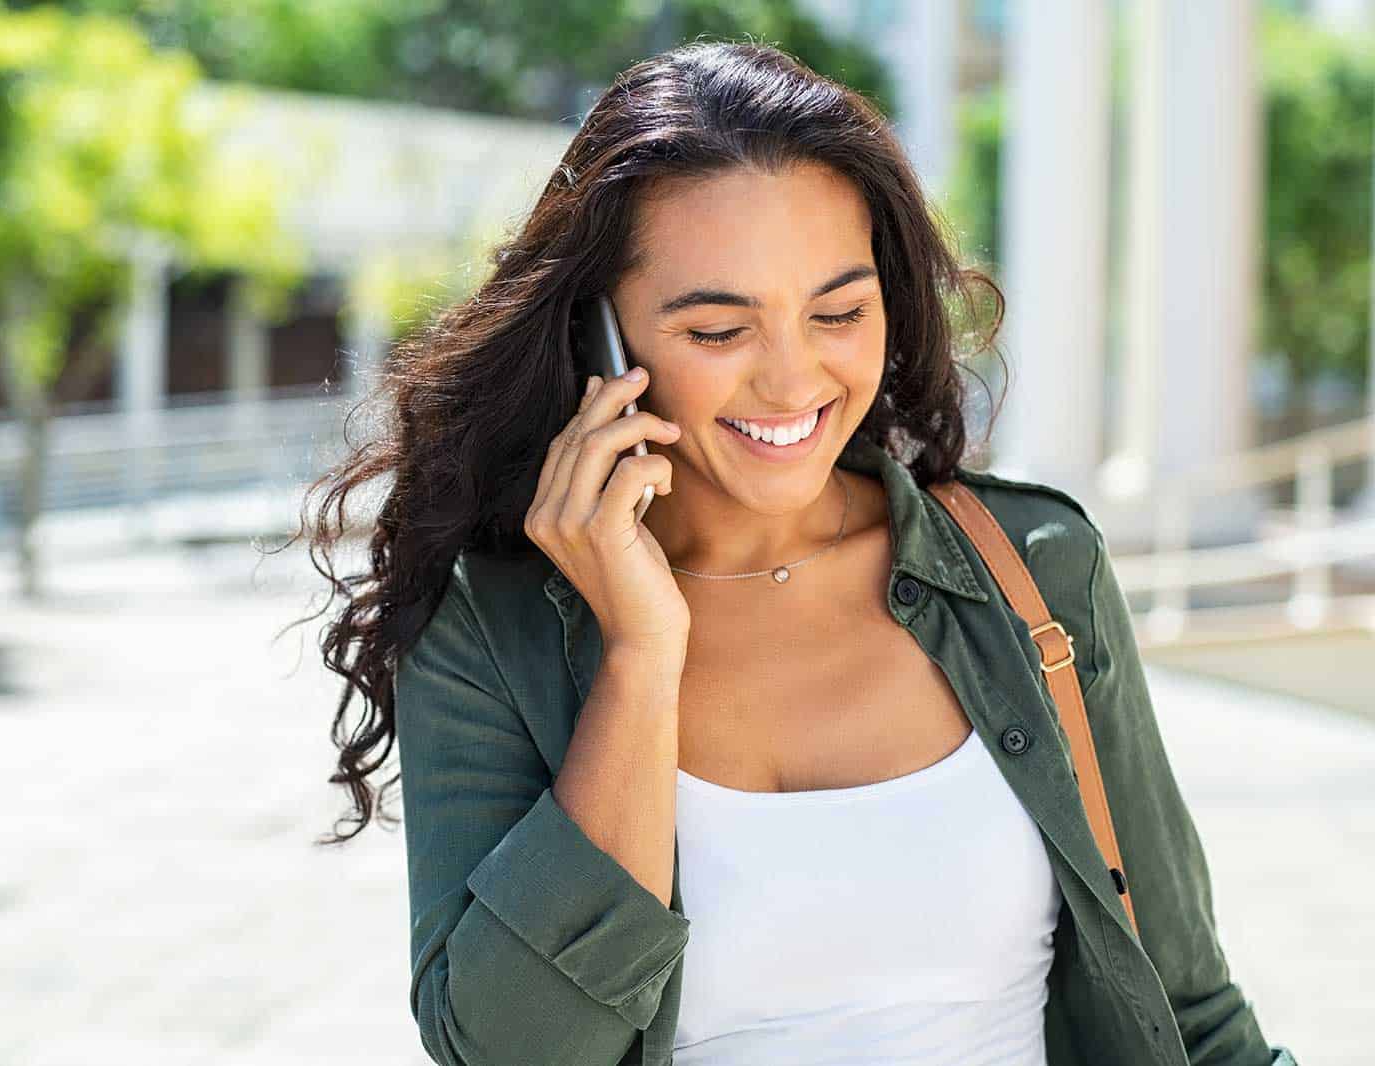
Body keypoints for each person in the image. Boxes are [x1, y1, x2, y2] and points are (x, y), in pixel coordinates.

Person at [291, 40, 1298, 1066]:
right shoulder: (491, 625)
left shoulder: (1035, 570)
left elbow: (1194, 1017)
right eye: (720, 329)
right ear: (599, 335)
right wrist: (639, 658)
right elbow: (510, 1052)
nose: (793, 380)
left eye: (838, 312)